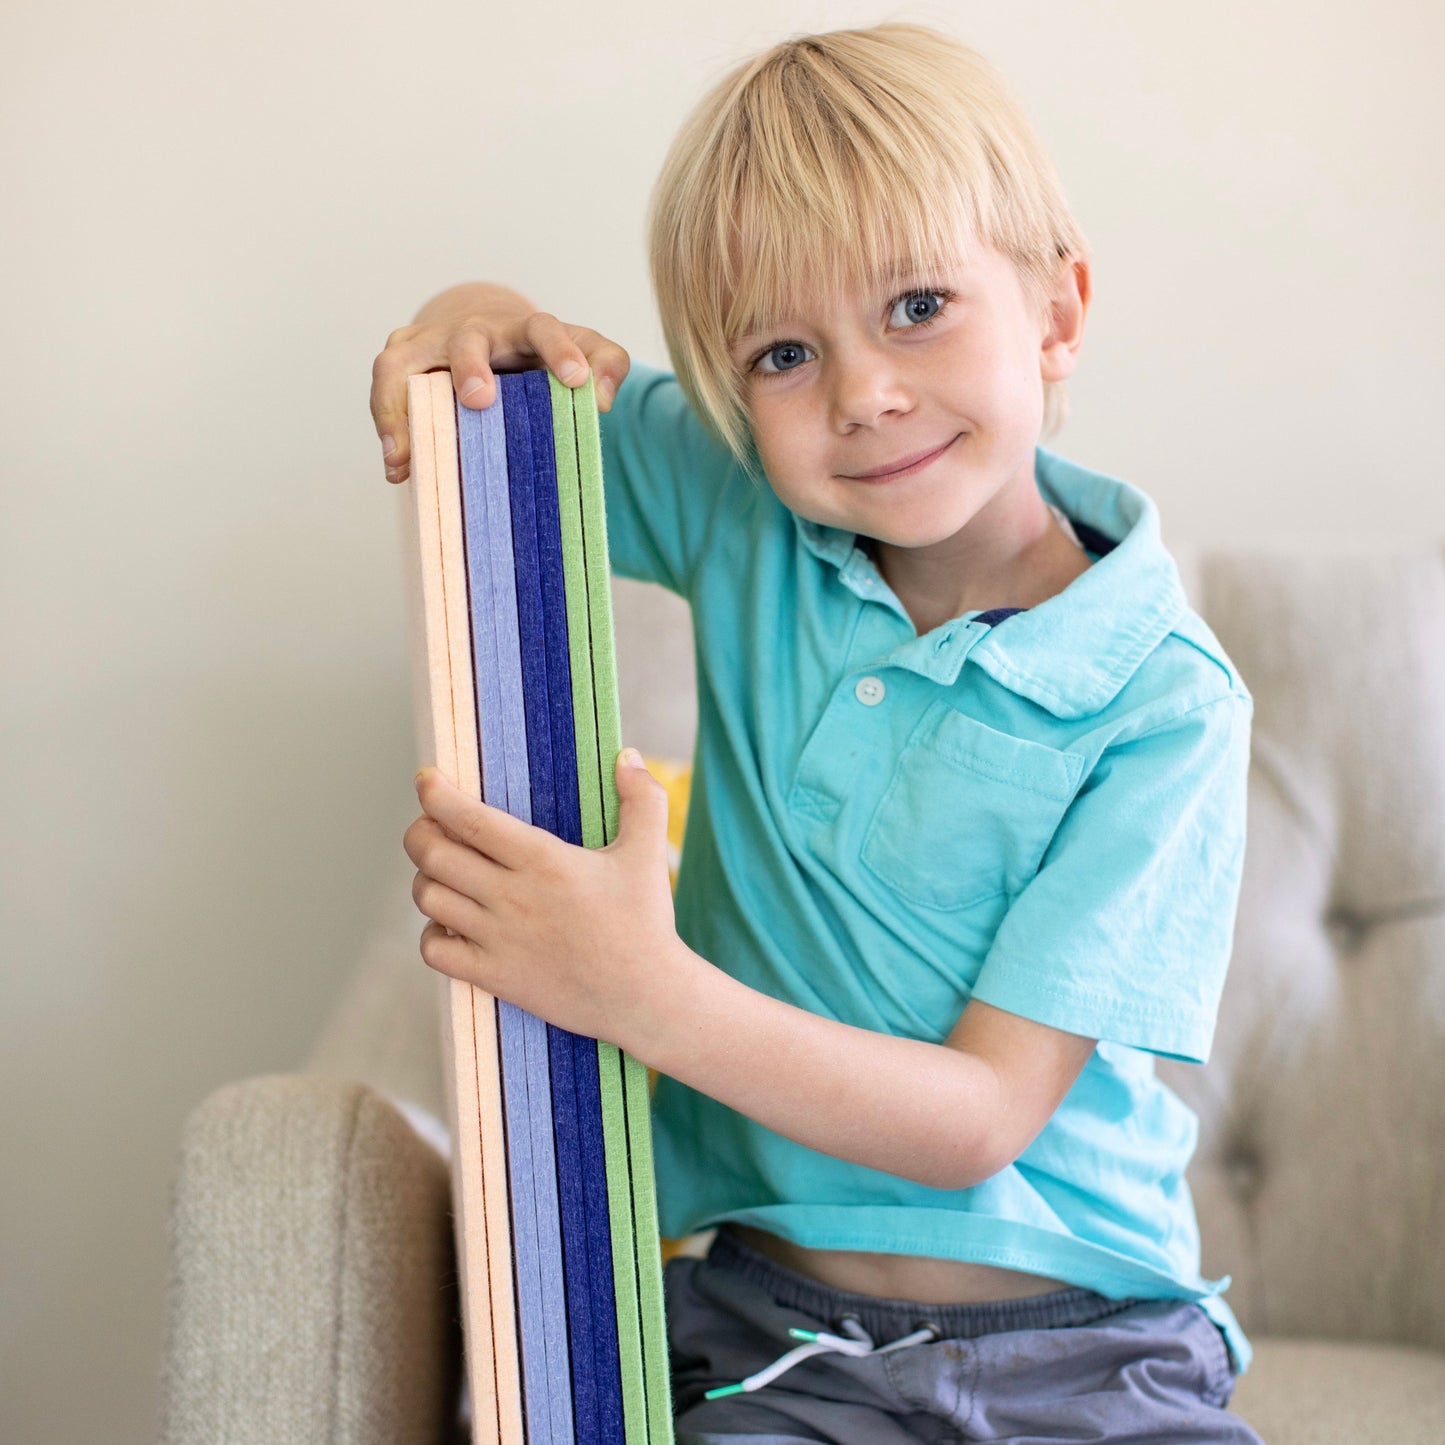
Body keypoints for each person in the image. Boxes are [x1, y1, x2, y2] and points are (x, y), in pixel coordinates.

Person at [374, 23, 1262, 1443]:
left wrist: (638, 987)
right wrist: (465, 312)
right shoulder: (747, 513)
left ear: (1055, 309)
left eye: (917, 305)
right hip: (766, 1327)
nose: (860, 394)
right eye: (783, 353)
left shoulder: (1160, 702)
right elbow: (505, 404)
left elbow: (979, 1113)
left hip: (1080, 1337)